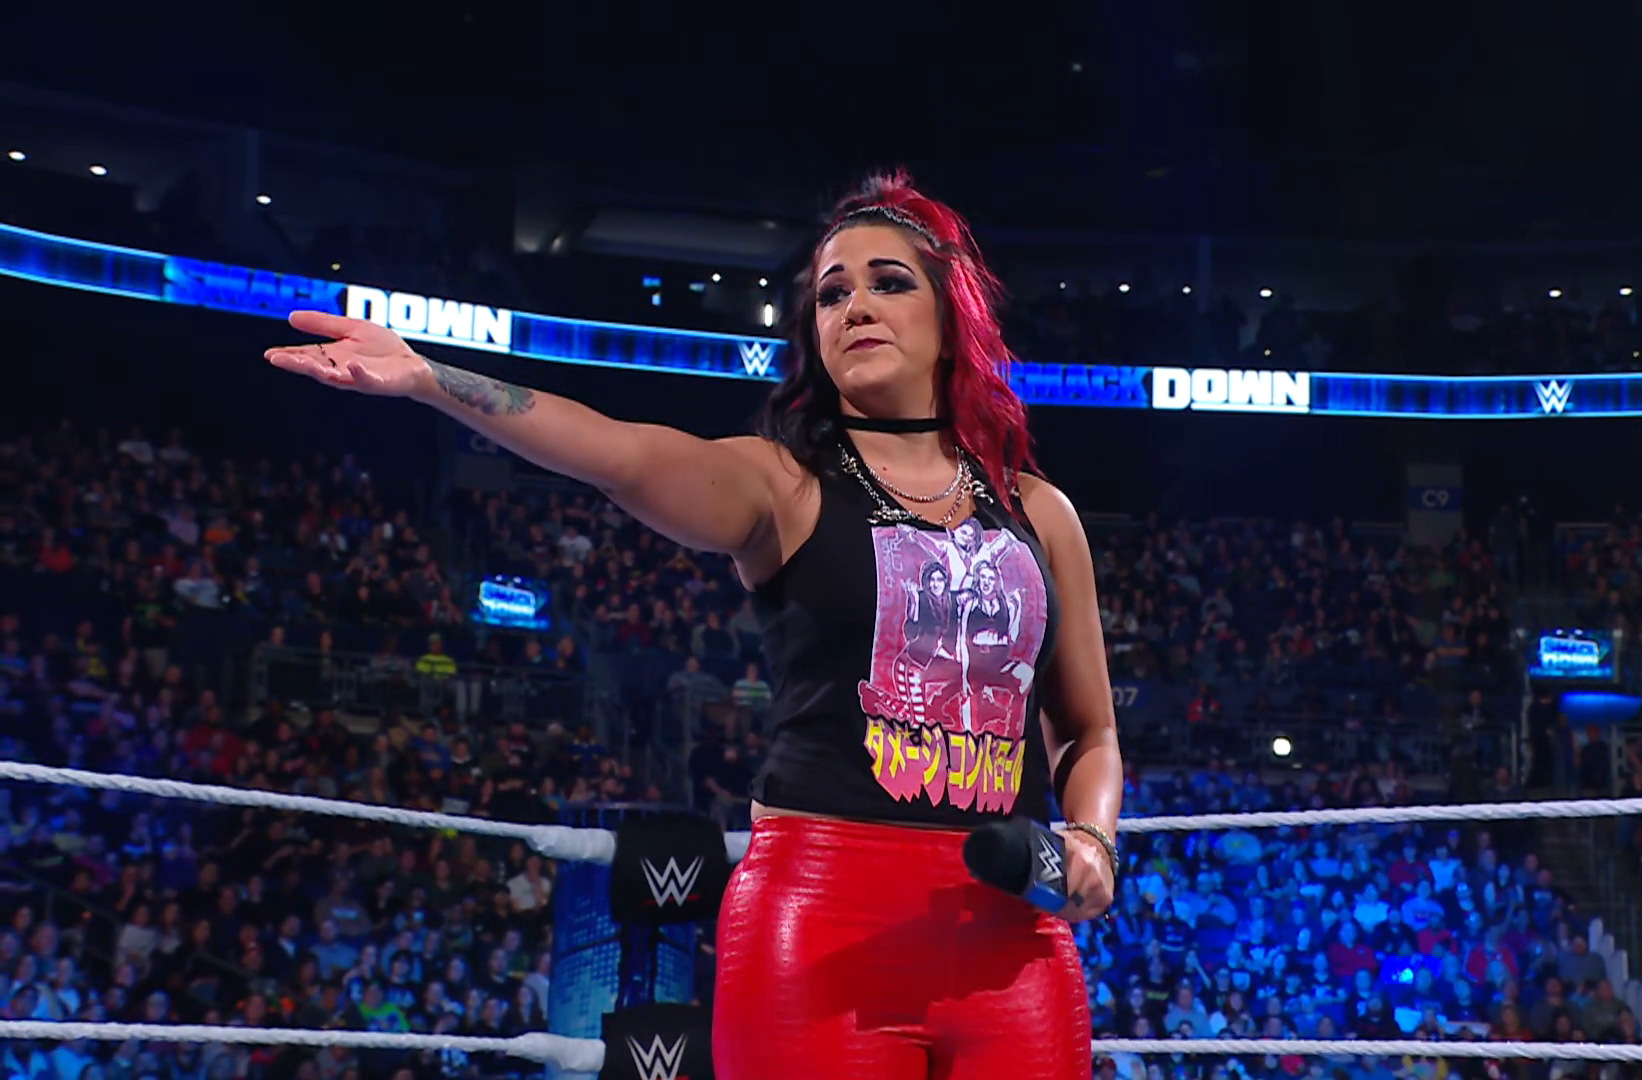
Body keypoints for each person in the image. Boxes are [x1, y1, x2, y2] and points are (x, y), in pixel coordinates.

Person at [265, 171, 1123, 1080]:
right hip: (823, 919)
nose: (856, 307)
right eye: (832, 294)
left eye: (888, 282)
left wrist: (1092, 841)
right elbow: (620, 452)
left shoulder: (1039, 512)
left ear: (951, 315)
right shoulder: (783, 485)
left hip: (1010, 936)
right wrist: (432, 380)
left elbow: (1089, 730)